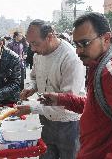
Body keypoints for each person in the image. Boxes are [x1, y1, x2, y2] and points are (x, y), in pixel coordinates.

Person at [40, 12, 112, 159]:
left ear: (106, 38)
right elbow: (97, 107)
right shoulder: (99, 65)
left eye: (84, 43)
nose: (78, 51)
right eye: (76, 44)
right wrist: (60, 99)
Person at [15, 19, 86, 159]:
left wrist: (32, 107)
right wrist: (31, 87)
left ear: (50, 36)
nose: (33, 49)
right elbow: (34, 77)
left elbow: (68, 100)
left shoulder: (70, 58)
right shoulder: (38, 55)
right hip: (45, 119)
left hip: (68, 123)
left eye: (35, 43)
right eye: (30, 44)